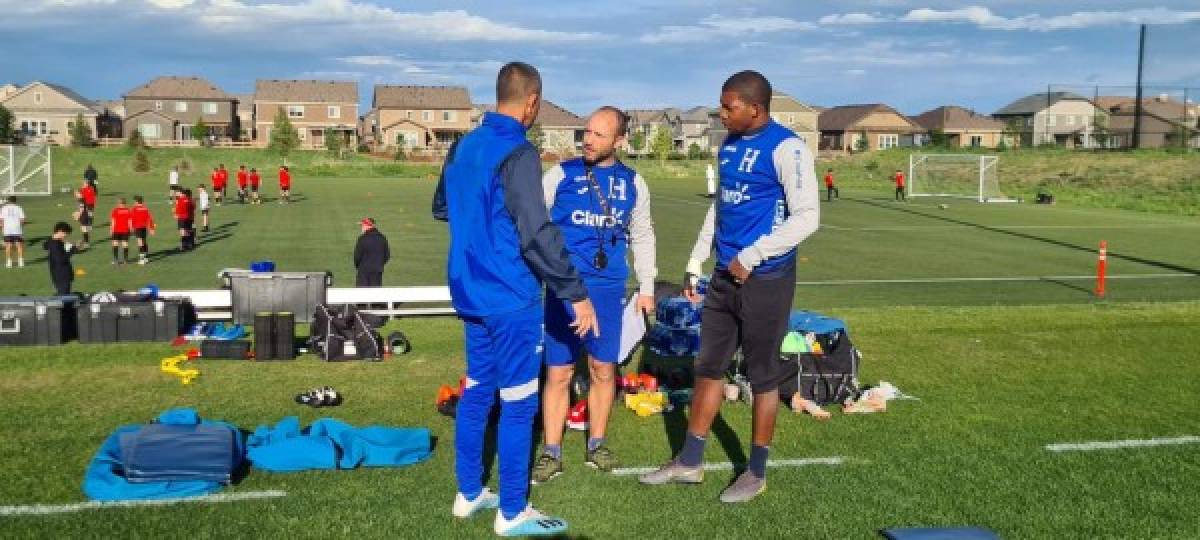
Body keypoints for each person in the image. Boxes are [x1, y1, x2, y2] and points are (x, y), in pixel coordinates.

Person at [638, 70, 820, 504]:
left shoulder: (787, 148)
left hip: (766, 279)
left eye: (728, 106)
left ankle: (755, 472)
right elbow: (721, 207)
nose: (722, 113)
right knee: (708, 367)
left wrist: (752, 256)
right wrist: (696, 260)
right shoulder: (729, 146)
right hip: (723, 276)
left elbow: (807, 217)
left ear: (755, 108)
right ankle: (690, 461)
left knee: (762, 376)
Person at [432, 61, 594, 537]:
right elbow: (536, 234)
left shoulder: (463, 144)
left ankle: (468, 495)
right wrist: (575, 293)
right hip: (509, 294)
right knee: (520, 400)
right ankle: (512, 512)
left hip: (468, 289)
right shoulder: (518, 151)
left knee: (478, 389)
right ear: (532, 101)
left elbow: (442, 207)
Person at [532, 106, 657, 484]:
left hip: (608, 291)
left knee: (604, 369)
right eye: (587, 132)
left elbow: (643, 235)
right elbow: (534, 224)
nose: (588, 139)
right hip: (564, 290)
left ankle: (596, 443)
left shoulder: (634, 183)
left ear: (619, 141)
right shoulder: (560, 175)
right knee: (559, 371)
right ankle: (551, 451)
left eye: (599, 135)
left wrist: (647, 286)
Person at [353, 217, 390, 287]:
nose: (361, 228)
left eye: (362, 226)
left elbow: (357, 257)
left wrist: (359, 266)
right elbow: (387, 255)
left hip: (363, 271)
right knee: (375, 295)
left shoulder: (362, 239)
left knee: (361, 295)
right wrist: (379, 264)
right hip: (377, 271)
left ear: (367, 226)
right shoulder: (382, 238)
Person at [45, 222, 77, 295]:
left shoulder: (53, 241)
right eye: (65, 234)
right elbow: (61, 260)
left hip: (58, 274)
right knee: (65, 297)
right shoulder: (55, 244)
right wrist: (73, 250)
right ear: (60, 231)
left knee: (64, 295)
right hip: (62, 275)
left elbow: (45, 245)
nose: (65, 236)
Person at [1, 196, 26, 268]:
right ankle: (21, 262)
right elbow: (22, 220)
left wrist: (3, 228)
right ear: (15, 201)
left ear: (8, 201)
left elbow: (1, 220)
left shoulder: (4, 208)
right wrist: (19, 226)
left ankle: (9, 262)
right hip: (17, 229)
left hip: (7, 229)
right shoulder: (19, 208)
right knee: (19, 245)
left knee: (8, 245)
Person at [130, 195, 156, 265]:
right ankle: (146, 257)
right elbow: (150, 219)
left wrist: (131, 227)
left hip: (138, 227)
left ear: (136, 201)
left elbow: (132, 219)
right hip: (144, 227)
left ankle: (142, 259)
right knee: (144, 241)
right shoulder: (145, 209)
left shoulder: (134, 209)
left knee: (140, 242)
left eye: (134, 201)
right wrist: (151, 228)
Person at [109, 198, 133, 265]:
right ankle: (126, 260)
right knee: (125, 244)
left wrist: (111, 229)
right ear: (125, 203)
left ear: (119, 203)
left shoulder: (115, 210)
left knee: (115, 243)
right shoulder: (128, 210)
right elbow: (130, 221)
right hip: (125, 230)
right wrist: (131, 229)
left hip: (116, 230)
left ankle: (116, 260)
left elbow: (113, 221)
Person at [76, 179, 97, 249]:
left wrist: (78, 214)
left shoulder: (88, 189)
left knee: (84, 227)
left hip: (88, 206)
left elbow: (81, 207)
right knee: (84, 227)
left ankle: (86, 242)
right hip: (86, 206)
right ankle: (85, 241)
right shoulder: (84, 190)